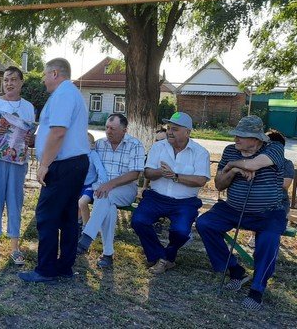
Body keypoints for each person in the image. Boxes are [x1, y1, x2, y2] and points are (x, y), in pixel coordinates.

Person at [195, 115, 286, 311]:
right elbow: (219, 184)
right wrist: (233, 169)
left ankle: (257, 289)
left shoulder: (274, 149)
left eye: (241, 136)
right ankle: (235, 270)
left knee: (268, 241)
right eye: (236, 134)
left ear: (257, 139)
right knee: (205, 224)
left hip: (268, 212)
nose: (236, 139)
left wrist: (233, 164)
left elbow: (253, 165)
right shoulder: (230, 151)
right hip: (233, 208)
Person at [18, 58, 89, 283]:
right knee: (67, 216)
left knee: (47, 216)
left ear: (55, 73)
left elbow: (58, 133)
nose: (43, 80)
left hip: (63, 165)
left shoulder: (63, 94)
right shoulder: (68, 94)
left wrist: (45, 164)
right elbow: (53, 131)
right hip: (73, 163)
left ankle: (46, 269)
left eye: (45, 75)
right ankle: (64, 266)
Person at [130, 112, 210, 274]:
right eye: (168, 128)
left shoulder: (200, 152)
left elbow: (201, 180)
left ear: (187, 132)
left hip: (184, 202)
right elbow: (148, 173)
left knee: (181, 232)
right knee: (138, 220)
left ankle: (163, 257)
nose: (169, 132)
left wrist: (176, 176)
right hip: (156, 197)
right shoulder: (158, 147)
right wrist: (161, 172)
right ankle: (162, 257)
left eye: (175, 129)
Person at [0, 66, 35, 266]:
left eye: (12, 80)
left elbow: (30, 135)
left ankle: (14, 247)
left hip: (18, 161)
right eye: (5, 80)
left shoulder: (28, 107)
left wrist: (29, 137)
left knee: (15, 201)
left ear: (21, 83)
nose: (8, 83)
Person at [76, 113, 145, 269]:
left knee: (106, 195)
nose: (108, 131)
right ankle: (108, 254)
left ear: (124, 130)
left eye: (112, 128)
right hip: (101, 190)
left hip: (126, 189)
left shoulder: (135, 145)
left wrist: (110, 184)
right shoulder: (99, 144)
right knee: (108, 205)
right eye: (107, 127)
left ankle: (86, 236)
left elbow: (135, 173)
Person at [78, 132, 107, 231]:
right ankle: (78, 222)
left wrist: (102, 184)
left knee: (82, 202)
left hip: (89, 186)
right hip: (77, 185)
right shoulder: (77, 154)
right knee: (72, 202)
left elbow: (100, 170)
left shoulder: (93, 155)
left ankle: (86, 228)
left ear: (92, 145)